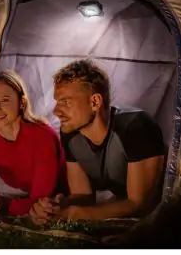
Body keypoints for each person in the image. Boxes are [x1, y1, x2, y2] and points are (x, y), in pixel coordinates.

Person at [29, 59, 166, 224]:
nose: (56, 111)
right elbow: (84, 195)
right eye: (57, 102)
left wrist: (74, 214)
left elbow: (139, 204)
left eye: (66, 102)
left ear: (95, 102)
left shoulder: (136, 126)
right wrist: (56, 206)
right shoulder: (71, 134)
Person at [0, 70, 66, 220]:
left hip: (63, 196)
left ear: (21, 103)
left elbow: (40, 202)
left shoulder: (43, 137)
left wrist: (3, 205)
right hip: (30, 198)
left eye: (4, 100)